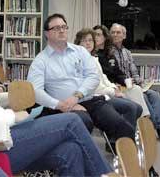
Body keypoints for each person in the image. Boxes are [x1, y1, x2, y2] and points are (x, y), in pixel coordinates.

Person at [0, 10, 111, 176]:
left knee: (71, 150)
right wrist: (12, 116)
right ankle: (108, 175)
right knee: (71, 121)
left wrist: (9, 99)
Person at [28, 14, 136, 144]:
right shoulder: (41, 60)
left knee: (123, 127)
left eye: (64, 27)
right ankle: (86, 162)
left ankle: (130, 163)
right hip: (61, 106)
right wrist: (61, 105)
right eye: (56, 28)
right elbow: (35, 91)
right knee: (84, 122)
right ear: (47, 33)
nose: (62, 30)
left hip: (89, 100)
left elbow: (93, 76)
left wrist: (76, 97)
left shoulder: (80, 51)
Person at [110, 23, 160, 139]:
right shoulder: (108, 53)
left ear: (124, 36)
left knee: (153, 94)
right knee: (143, 97)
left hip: (132, 85)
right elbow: (112, 74)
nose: (115, 35)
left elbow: (134, 70)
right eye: (113, 32)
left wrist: (139, 82)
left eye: (118, 32)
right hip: (120, 86)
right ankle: (154, 127)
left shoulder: (127, 52)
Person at [74, 28, 142, 131]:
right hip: (94, 98)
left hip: (104, 94)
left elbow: (104, 78)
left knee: (138, 108)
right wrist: (113, 92)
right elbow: (94, 87)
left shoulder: (93, 58)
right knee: (131, 108)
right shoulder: (79, 60)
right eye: (84, 40)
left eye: (90, 40)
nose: (88, 43)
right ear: (78, 43)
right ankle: (120, 142)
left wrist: (114, 88)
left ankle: (122, 140)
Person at [93, 25, 150, 117]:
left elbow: (117, 73)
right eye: (94, 35)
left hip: (117, 86)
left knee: (137, 90)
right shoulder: (94, 56)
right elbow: (101, 77)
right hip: (107, 89)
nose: (95, 37)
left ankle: (145, 119)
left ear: (105, 37)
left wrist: (125, 80)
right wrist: (113, 85)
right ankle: (144, 120)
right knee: (140, 95)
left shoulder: (109, 54)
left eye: (98, 35)